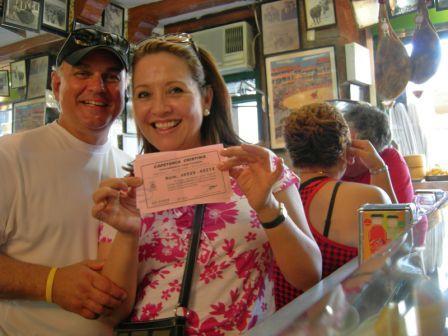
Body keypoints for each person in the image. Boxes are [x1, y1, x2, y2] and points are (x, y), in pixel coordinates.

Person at [91, 34, 322, 334]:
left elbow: (309, 276)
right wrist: (127, 231)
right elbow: (112, 314)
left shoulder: (261, 171)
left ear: (207, 98)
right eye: (144, 95)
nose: (159, 109)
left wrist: (267, 208)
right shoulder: (127, 196)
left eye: (175, 90)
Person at [0, 27, 132, 335]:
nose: (97, 87)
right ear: (57, 83)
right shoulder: (10, 155)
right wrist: (51, 283)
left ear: (125, 88)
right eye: (83, 73)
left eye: (111, 77)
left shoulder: (131, 169)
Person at [273, 102, 393, 309]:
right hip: (346, 324)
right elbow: (396, 253)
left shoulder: (277, 200)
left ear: (293, 153)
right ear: (345, 151)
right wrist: (378, 167)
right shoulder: (368, 198)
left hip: (289, 325)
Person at [341, 104, 414, 203]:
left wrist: (378, 168)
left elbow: (398, 216)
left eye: (352, 147)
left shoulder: (389, 159)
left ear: (377, 153)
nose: (345, 156)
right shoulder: (329, 163)